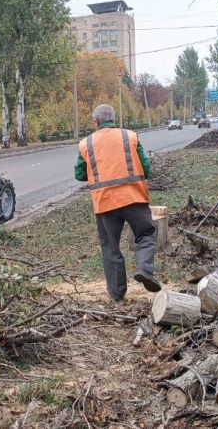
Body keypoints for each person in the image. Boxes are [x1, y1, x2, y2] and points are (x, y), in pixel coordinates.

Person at [75, 104, 161, 301]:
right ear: (113, 119)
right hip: (134, 198)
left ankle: (116, 295)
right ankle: (144, 270)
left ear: (95, 122)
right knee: (145, 234)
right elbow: (145, 169)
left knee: (110, 246)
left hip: (105, 202)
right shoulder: (130, 136)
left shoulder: (85, 144)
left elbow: (79, 174)